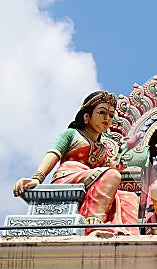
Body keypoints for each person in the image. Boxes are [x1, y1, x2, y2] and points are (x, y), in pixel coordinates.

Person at [13, 91, 141, 237]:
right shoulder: (72, 134)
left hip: (91, 180)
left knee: (128, 197)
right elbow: (54, 154)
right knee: (112, 175)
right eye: (102, 112)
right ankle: (93, 225)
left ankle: (130, 234)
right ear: (86, 116)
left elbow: (111, 167)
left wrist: (122, 158)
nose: (107, 118)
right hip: (69, 176)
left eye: (111, 115)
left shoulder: (102, 147)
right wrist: (37, 178)